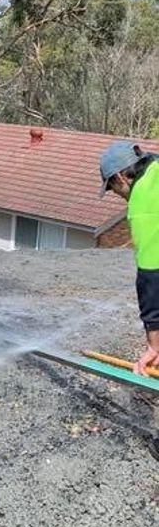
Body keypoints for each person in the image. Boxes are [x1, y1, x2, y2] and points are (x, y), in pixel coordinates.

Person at [99, 140, 159, 374]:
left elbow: (151, 279)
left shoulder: (142, 204)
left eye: (112, 188)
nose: (117, 194)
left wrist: (154, 346)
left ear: (120, 178)